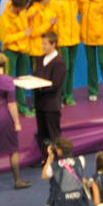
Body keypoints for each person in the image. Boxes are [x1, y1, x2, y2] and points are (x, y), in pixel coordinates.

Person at [0, 52, 30, 190]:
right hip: (5, 117)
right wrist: (17, 122)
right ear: (5, 63)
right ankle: (17, 181)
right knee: (13, 149)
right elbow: (12, 105)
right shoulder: (8, 81)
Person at [39, 137, 93, 206]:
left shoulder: (54, 166)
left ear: (59, 151)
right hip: (79, 200)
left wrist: (50, 158)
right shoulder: (81, 160)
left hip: (62, 201)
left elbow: (44, 175)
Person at [0, 0, 33, 117]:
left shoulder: (22, 14)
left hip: (24, 51)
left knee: (22, 80)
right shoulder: (2, 20)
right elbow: (5, 39)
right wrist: (23, 34)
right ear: (18, 7)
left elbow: (26, 24)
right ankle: (9, 107)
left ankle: (22, 107)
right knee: (9, 80)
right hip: (10, 52)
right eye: (24, 8)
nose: (24, 10)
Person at [33, 31, 67, 163]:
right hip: (40, 103)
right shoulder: (40, 59)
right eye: (42, 44)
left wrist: (40, 86)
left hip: (51, 104)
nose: (43, 46)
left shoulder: (59, 62)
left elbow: (56, 84)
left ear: (53, 44)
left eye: (45, 44)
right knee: (42, 133)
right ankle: (45, 158)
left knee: (53, 133)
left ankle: (58, 159)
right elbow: (36, 76)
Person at [51, 0, 84, 106]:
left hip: (74, 39)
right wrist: (56, 37)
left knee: (71, 69)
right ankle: (60, 96)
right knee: (63, 69)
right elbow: (52, 22)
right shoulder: (55, 1)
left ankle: (68, 95)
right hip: (62, 40)